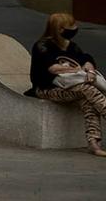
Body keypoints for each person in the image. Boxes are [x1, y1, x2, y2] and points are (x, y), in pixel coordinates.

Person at [31, 12, 106, 158]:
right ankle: (94, 144)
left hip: (73, 86)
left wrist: (89, 70)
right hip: (49, 88)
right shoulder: (42, 46)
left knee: (87, 100)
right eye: (71, 26)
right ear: (60, 29)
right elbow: (52, 68)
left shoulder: (72, 46)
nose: (75, 28)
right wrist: (78, 70)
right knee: (87, 89)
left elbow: (86, 58)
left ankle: (94, 144)